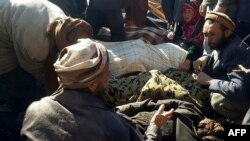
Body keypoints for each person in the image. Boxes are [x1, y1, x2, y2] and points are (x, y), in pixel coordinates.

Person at [21, 38, 175, 141]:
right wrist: (155, 126)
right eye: (106, 73)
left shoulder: (34, 110)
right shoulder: (111, 127)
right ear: (92, 85)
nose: (109, 75)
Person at [193, 11, 250, 122]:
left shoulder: (236, 51)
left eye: (212, 34)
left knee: (218, 101)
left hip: (246, 99)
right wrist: (207, 58)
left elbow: (240, 90)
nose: (208, 39)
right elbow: (221, 59)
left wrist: (209, 81)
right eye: (205, 34)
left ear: (227, 32)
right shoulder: (223, 42)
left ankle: (240, 122)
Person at [167, 0, 204, 71]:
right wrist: (172, 36)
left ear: (195, 12)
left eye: (189, 12)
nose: (186, 15)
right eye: (184, 12)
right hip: (180, 53)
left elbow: (196, 46)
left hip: (194, 56)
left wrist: (188, 58)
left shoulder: (200, 26)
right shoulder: (182, 25)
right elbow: (177, 36)